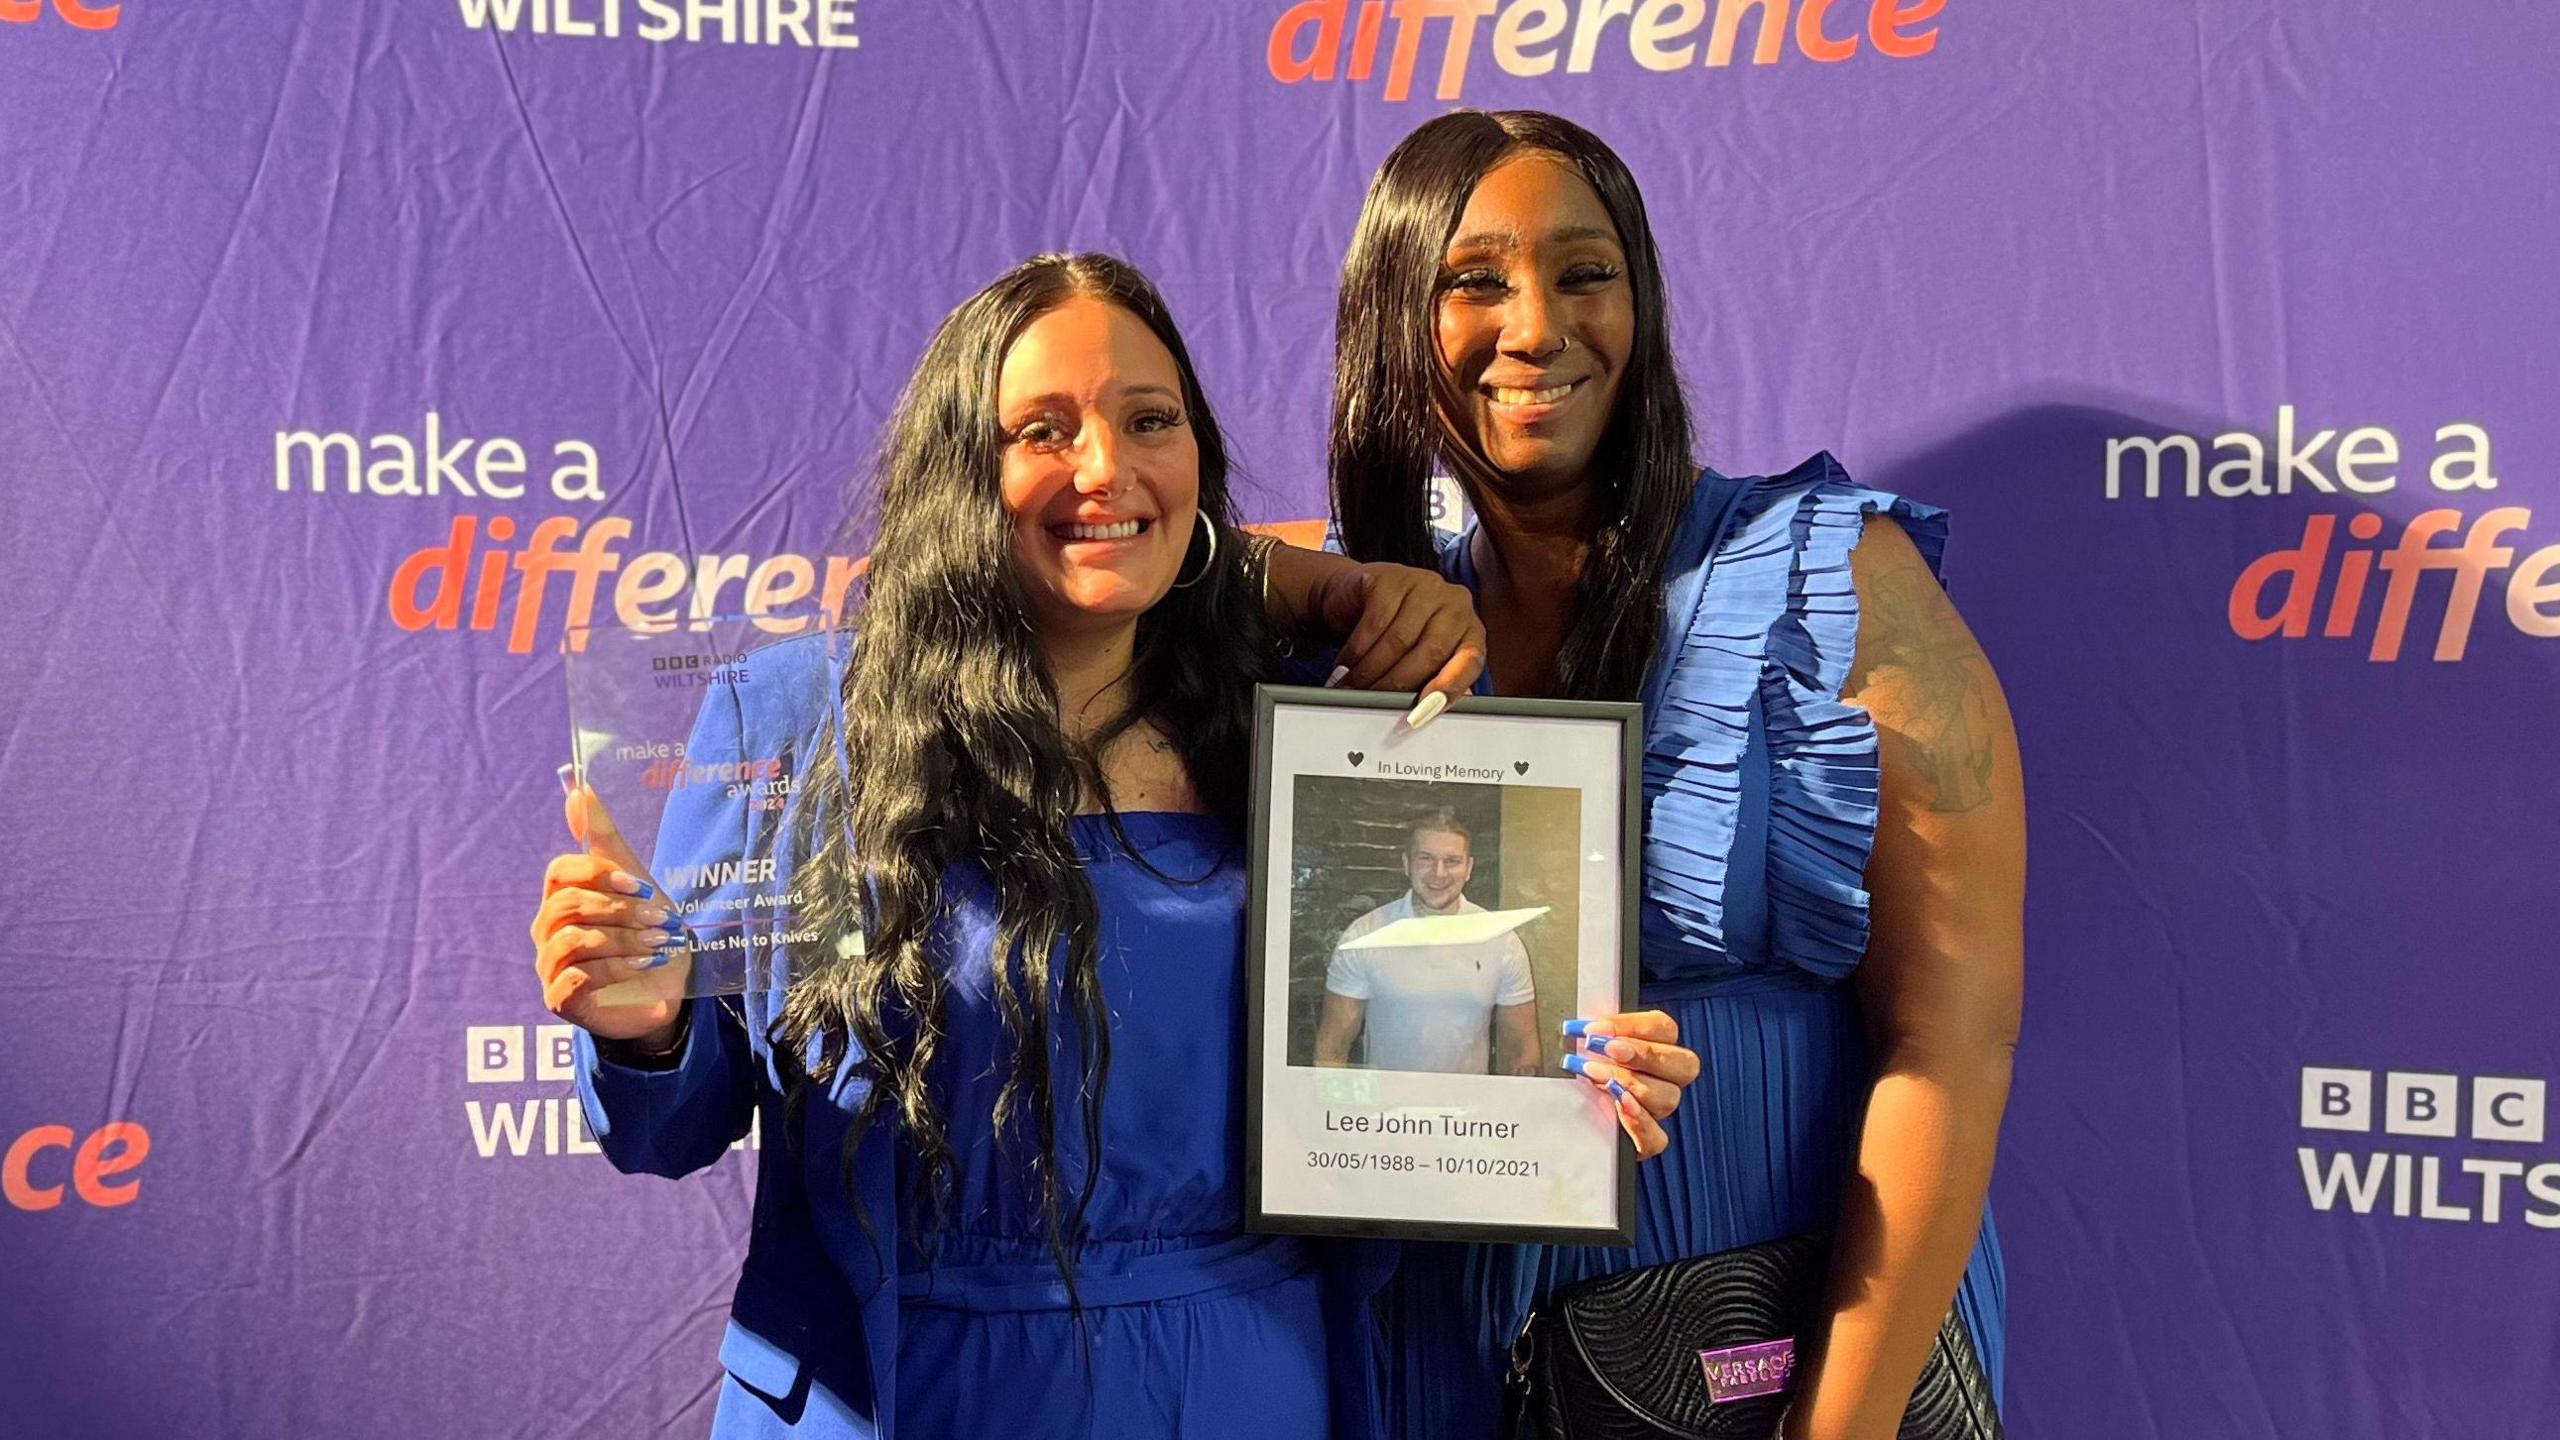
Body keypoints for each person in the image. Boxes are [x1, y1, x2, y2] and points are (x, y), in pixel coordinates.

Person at [528, 252, 1698, 1439]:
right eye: (1043, 429)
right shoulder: (789, 722)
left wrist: (1571, 1086)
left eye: (1151, 419)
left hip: (1239, 1386)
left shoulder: (1310, 734)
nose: (1108, 469)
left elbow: (1403, 1077)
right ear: (959, 475)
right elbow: (668, 1132)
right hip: (896, 1391)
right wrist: (646, 1031)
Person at [1307, 111, 2026, 1440]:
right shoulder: (1363, 633)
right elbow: (1114, 555)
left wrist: (1838, 1429)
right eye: (1474, 280)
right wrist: (1333, 575)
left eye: (1586, 272)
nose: (1537, 326)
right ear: (1393, 317)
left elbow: (1954, 1043)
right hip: (1438, 1350)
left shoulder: (1834, 580)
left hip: (1769, 1349)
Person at [1314, 807, 1541, 1076]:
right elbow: (1331, 1050)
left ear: (1469, 868)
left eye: (1452, 861)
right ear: (1406, 864)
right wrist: (1343, 1115)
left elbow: (1522, 1052)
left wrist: (1511, 1114)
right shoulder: (1364, 936)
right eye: (1426, 859)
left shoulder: (1503, 941)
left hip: (1469, 1114)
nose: (1439, 873)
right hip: (1385, 1114)